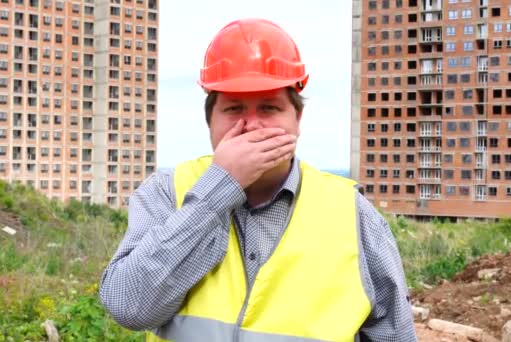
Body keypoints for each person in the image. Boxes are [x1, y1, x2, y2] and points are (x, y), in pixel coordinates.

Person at [100, 18, 417, 341]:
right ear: (209, 120)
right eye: (234, 108)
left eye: (269, 108)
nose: (251, 125)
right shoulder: (167, 192)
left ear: (297, 120)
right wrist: (218, 190)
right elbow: (129, 306)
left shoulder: (352, 214)